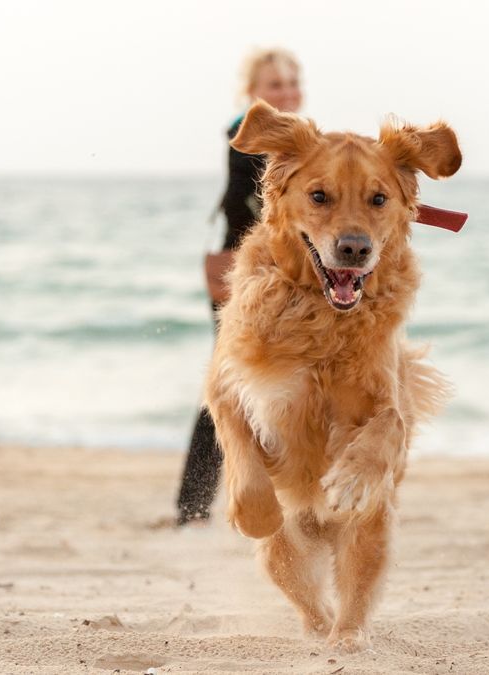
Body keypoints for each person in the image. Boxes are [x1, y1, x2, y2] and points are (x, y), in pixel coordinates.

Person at [175, 48, 304, 526]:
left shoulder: (292, 137)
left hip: (267, 274)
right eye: (274, 85)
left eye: (292, 83)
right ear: (253, 92)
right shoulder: (244, 132)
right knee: (228, 386)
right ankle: (191, 507)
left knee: (268, 384)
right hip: (237, 275)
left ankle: (214, 502)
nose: (286, 92)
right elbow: (247, 202)